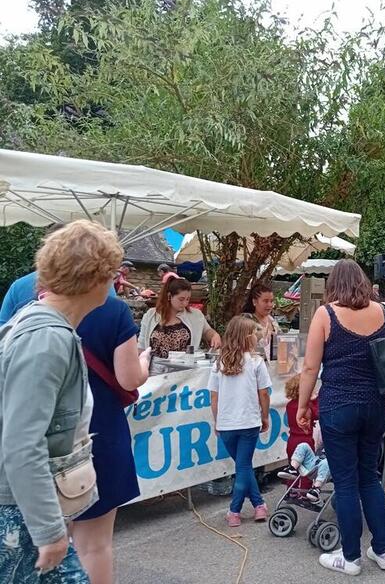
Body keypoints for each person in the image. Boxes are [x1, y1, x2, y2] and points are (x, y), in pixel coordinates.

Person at [0, 220, 122, 582]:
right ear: (95, 279)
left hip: (21, 510)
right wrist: (48, 531)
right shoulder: (48, 338)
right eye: (112, 274)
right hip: (16, 512)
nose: (115, 283)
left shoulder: (43, 326)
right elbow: (22, 443)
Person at [297, 259, 385, 575]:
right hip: (374, 406)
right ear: (361, 281)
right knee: (369, 478)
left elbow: (310, 368)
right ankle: (382, 552)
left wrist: (304, 406)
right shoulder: (383, 313)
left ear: (333, 284)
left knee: (345, 483)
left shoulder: (326, 314)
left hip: (338, 407)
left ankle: (350, 558)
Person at [70, 295, 151, 584]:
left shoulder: (27, 301)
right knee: (93, 545)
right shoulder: (113, 309)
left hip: (43, 436)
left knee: (46, 544)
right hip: (99, 428)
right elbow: (129, 379)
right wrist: (143, 361)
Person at [209, 316, 271, 527]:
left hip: (227, 423)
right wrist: (265, 415)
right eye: (255, 334)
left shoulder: (219, 362)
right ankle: (235, 509)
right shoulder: (256, 362)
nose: (257, 338)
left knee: (242, 465)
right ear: (247, 338)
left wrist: (217, 421)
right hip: (248, 421)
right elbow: (264, 393)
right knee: (244, 466)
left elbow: (214, 397)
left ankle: (259, 505)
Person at [138, 277, 221, 357]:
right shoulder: (151, 315)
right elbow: (141, 346)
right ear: (169, 296)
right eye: (181, 299)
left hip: (185, 368)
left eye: (188, 299)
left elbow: (207, 331)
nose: (185, 303)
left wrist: (214, 335)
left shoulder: (195, 315)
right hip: (154, 368)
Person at [283, 374, 319, 491]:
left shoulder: (289, 405)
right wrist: (315, 400)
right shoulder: (306, 405)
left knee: (292, 467)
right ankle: (304, 492)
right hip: (305, 440)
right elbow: (317, 414)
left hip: (292, 439)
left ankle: (291, 490)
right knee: (308, 468)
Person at [242, 282, 280, 358]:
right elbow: (243, 341)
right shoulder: (246, 319)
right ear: (254, 302)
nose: (269, 305)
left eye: (271, 301)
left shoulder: (272, 320)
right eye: (265, 301)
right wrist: (262, 334)